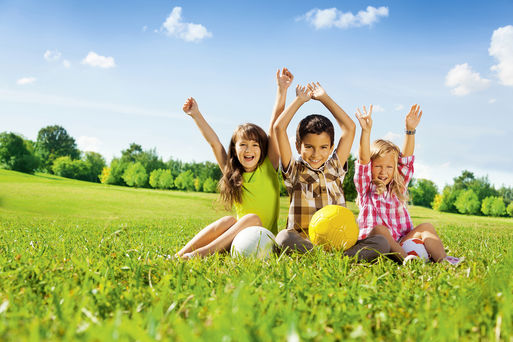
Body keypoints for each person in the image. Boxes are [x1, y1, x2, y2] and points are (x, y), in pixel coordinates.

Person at [176, 68, 294, 259]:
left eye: (255, 145)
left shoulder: (269, 166)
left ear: (263, 149)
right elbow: (214, 143)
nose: (249, 150)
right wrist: (196, 114)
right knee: (227, 220)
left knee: (253, 218)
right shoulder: (232, 171)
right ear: (235, 148)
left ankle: (202, 254)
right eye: (243, 145)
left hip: (264, 239)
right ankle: (179, 255)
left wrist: (282, 89)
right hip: (237, 240)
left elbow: (274, 124)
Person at [273, 82, 390, 261]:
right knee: (283, 238)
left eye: (323, 147)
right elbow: (278, 129)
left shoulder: (334, 168)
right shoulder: (295, 171)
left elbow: (350, 128)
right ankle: (329, 257)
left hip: (341, 243)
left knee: (381, 242)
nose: (316, 154)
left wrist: (324, 98)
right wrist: (299, 100)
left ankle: (333, 257)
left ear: (331, 148)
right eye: (309, 147)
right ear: (298, 146)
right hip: (307, 242)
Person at [354, 104, 461, 265]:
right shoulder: (366, 187)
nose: (384, 172)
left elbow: (406, 160)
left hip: (402, 241)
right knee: (380, 229)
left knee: (426, 226)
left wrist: (410, 130)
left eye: (389, 167)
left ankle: (443, 261)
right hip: (378, 243)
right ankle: (408, 262)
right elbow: (363, 160)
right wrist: (366, 131)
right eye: (378, 166)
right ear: (371, 167)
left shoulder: (398, 186)